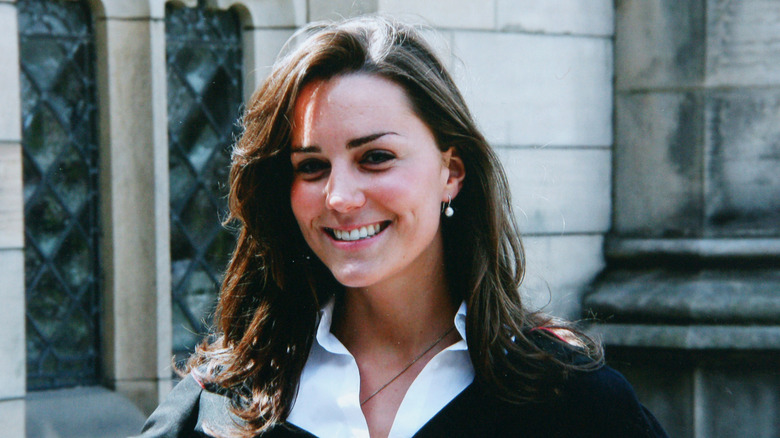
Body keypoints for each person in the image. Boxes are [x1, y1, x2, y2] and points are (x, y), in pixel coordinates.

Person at [135, 15, 668, 438]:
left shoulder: (571, 403)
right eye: (311, 167)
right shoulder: (226, 403)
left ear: (450, 172)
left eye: (376, 157)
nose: (340, 197)